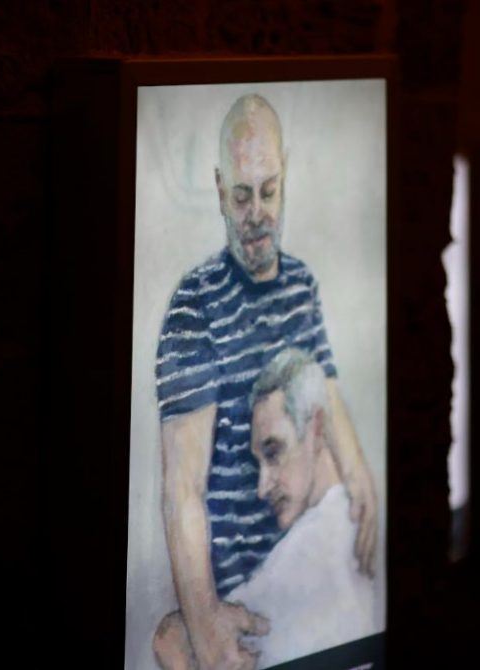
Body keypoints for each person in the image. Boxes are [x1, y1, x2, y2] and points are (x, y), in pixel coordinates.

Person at [152, 94, 378, 670]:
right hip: (242, 599)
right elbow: (182, 492)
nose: (257, 213)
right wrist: (206, 625)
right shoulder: (194, 307)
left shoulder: (302, 285)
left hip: (307, 573)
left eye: (269, 191)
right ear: (219, 189)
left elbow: (326, 390)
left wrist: (361, 481)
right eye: (241, 195)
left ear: (286, 178)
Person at [154, 349, 376, 669]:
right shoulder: (341, 527)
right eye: (259, 462)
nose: (262, 487)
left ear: (316, 428)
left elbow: (171, 643)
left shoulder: (311, 552)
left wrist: (179, 633)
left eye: (273, 453)